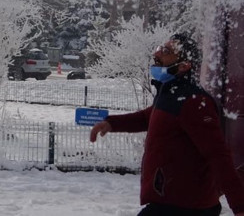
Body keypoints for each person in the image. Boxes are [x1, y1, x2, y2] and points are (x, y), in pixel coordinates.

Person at [90, 33, 244, 216]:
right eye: (159, 48)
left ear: (184, 65)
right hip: (170, 201)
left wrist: (239, 206)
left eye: (166, 51)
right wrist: (111, 123)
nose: (157, 54)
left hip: (186, 206)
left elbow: (217, 154)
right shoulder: (171, 94)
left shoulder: (194, 101)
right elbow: (150, 117)